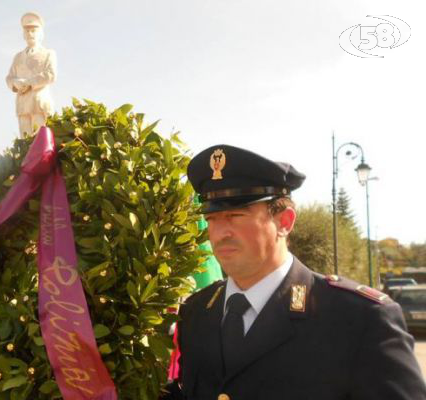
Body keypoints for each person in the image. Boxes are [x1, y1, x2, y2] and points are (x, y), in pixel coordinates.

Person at [166, 144, 426, 399]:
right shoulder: (196, 312)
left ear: (284, 222)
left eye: (235, 215)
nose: (221, 233)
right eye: (212, 219)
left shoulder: (360, 319)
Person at [6, 12, 57, 137]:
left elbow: (50, 74)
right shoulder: (18, 57)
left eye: (33, 30)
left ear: (40, 33)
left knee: (40, 142)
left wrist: (28, 83)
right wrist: (15, 84)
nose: (30, 34)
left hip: (39, 104)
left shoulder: (48, 54)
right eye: (27, 31)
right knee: (25, 144)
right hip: (23, 106)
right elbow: (9, 77)